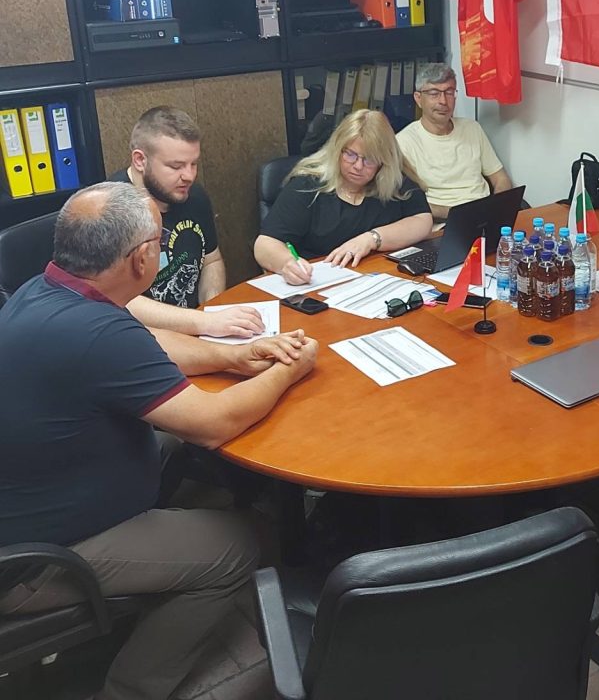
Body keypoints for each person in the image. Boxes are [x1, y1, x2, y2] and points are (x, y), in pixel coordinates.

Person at [0, 182, 317, 700]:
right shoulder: (92, 332)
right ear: (142, 257)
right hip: (32, 563)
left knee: (168, 447)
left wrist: (237, 356)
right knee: (235, 548)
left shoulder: (48, 289)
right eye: (160, 239)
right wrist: (291, 370)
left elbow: (144, 344)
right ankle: (130, 690)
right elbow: (213, 423)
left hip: (32, 500)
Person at [112, 106, 266, 339]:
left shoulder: (193, 196)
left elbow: (211, 260)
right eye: (176, 166)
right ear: (140, 160)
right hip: (143, 339)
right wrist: (205, 322)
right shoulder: (111, 211)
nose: (189, 176)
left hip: (198, 328)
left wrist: (212, 309)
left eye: (193, 164)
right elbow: (121, 300)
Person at [255, 108, 433, 283]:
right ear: (337, 149)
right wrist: (286, 264)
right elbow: (265, 244)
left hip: (375, 279)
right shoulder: (307, 185)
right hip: (317, 282)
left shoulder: (393, 179)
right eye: (351, 154)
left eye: (369, 159)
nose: (358, 166)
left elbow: (422, 220)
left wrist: (371, 239)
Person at [396, 63, 513, 220]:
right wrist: (460, 214)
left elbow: (501, 178)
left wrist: (497, 205)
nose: (443, 101)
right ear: (418, 99)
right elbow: (408, 203)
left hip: (485, 215)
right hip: (442, 222)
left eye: (449, 92)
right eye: (434, 94)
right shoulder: (404, 142)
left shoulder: (472, 128)